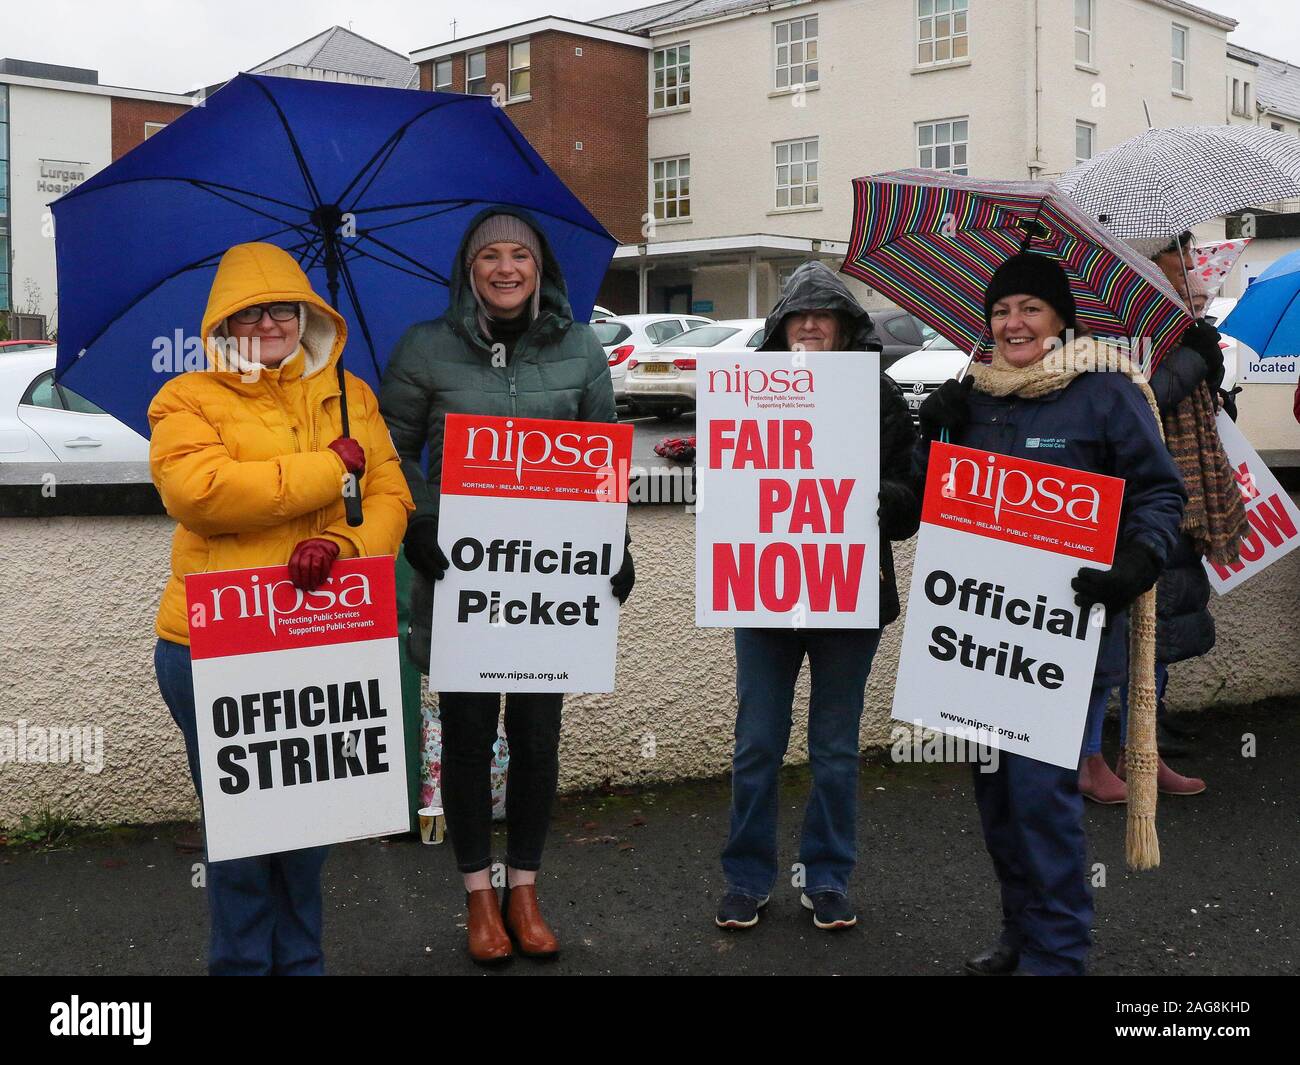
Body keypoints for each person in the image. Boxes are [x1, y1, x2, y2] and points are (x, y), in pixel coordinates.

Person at [149, 241, 414, 974]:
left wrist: (346, 547)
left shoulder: (351, 395)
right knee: (240, 839)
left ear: (309, 314)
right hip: (210, 646)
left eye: (283, 308)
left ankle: (302, 965)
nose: (269, 322)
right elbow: (200, 494)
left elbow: (392, 494)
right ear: (223, 325)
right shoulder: (187, 398)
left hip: (319, 636)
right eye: (250, 311)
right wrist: (329, 467)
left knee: (307, 830)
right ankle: (240, 967)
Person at [917, 252, 1186, 975]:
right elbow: (930, 500)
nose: (1014, 323)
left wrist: (1139, 559)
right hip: (980, 639)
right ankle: (1021, 930)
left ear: (1061, 318)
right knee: (998, 799)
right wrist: (929, 432)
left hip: (1065, 637)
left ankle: (1059, 953)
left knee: (1041, 799)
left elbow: (1161, 494)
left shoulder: (1105, 390)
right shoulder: (971, 394)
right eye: (1002, 310)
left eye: (1030, 308)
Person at [379, 208, 633, 965]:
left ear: (538, 266)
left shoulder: (580, 344)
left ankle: (524, 886)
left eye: (517, 254)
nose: (504, 267)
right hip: (459, 578)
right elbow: (390, 450)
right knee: (463, 739)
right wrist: (417, 521)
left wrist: (613, 544)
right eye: (488, 255)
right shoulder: (427, 345)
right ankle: (477, 896)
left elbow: (603, 462)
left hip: (547, 587)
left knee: (534, 735)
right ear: (469, 268)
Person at [714, 261, 921, 933]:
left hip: (849, 594)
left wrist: (882, 498)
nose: (810, 324)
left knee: (834, 747)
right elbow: (726, 489)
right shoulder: (746, 391)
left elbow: (910, 501)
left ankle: (827, 877)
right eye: (798, 314)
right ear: (780, 326)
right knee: (756, 743)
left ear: (843, 327)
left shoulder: (881, 396)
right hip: (764, 594)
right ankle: (746, 877)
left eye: (823, 314)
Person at [1077, 233, 1251, 802]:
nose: (1193, 272)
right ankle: (1088, 759)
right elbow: (1140, 400)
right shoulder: (1106, 325)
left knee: (1157, 642)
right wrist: (1195, 360)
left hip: (1174, 500)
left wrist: (1210, 374)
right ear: (1148, 264)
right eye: (1180, 258)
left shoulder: (1178, 326)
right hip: (1124, 501)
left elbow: (1197, 408)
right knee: (1104, 644)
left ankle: (1140, 756)